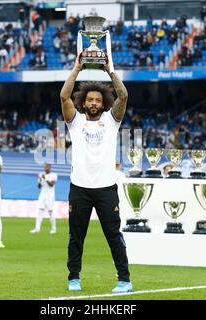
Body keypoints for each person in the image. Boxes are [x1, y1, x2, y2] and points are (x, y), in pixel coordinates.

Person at [60, 53, 131, 293]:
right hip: (79, 187)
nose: (93, 103)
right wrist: (77, 68)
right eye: (89, 99)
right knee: (76, 237)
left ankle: (124, 280)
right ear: (83, 102)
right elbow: (63, 95)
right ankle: (74, 278)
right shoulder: (75, 121)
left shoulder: (112, 121)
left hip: (106, 188)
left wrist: (110, 71)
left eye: (97, 100)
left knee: (113, 235)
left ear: (103, 103)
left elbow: (123, 95)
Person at [30, 163, 58, 234]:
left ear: (50, 168)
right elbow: (39, 186)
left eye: (47, 167)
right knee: (40, 211)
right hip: (42, 195)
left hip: (50, 196)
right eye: (45, 167)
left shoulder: (54, 175)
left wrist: (45, 178)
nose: (46, 168)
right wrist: (40, 180)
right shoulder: (41, 175)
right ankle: (37, 228)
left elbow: (51, 185)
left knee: (50, 212)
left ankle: (53, 228)